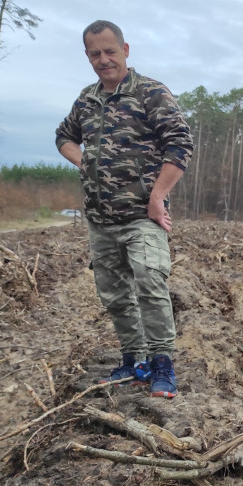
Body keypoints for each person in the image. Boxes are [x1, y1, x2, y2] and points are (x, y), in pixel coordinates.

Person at [55, 20, 194, 399]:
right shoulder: (86, 100)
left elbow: (180, 145)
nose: (103, 60)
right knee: (115, 293)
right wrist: (82, 161)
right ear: (88, 56)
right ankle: (134, 360)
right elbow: (64, 136)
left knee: (150, 281)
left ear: (125, 50)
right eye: (95, 54)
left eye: (109, 51)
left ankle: (162, 363)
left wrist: (157, 196)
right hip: (101, 219)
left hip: (142, 216)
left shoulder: (150, 93)